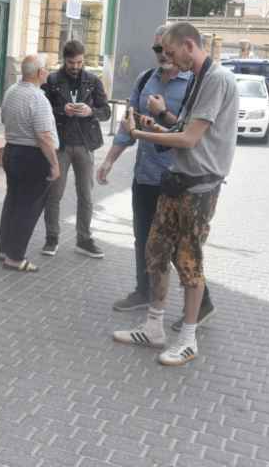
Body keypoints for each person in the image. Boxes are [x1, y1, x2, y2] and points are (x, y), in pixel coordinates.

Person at [113, 22, 238, 367]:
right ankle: (154, 327)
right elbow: (182, 129)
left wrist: (140, 133)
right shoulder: (200, 77)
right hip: (176, 180)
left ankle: (188, 338)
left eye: (170, 53)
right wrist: (161, 122)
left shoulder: (216, 79)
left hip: (198, 187)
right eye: (163, 54)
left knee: (189, 262)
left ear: (188, 45)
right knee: (155, 250)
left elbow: (189, 140)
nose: (168, 60)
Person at [99, 25, 214, 326]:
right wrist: (110, 160)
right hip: (146, 176)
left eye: (168, 49)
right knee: (144, 239)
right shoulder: (145, 80)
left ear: (179, 48)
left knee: (180, 249)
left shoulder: (195, 83)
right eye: (157, 49)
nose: (163, 55)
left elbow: (191, 134)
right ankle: (144, 291)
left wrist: (164, 114)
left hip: (177, 180)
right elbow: (130, 124)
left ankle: (202, 304)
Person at [39, 40, 111, 259]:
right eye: (71, 62)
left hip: (85, 143)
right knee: (54, 194)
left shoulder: (93, 81)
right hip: (59, 145)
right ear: (64, 59)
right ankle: (52, 239)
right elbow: (42, 109)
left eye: (80, 62)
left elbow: (106, 111)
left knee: (86, 195)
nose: (76, 66)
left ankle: (84, 239)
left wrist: (90, 111)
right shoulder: (52, 80)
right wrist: (63, 110)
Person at [0, 55, 61, 272]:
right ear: (40, 72)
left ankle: (5, 249)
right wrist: (54, 163)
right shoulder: (38, 98)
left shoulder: (11, 91)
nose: (49, 73)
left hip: (12, 151)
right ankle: (15, 257)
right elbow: (43, 135)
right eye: (47, 69)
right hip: (33, 156)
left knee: (13, 201)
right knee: (29, 207)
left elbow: (4, 118)